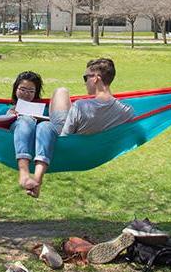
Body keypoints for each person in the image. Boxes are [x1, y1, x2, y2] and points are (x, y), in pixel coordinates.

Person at [23, 58, 134, 197]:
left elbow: (64, 137)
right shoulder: (126, 111)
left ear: (96, 78)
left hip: (67, 142)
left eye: (85, 77)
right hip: (95, 152)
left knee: (61, 91)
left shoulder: (81, 106)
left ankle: (37, 177)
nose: (84, 82)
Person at [7, 71, 46, 196]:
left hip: (39, 141)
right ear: (15, 89)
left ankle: (35, 181)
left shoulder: (43, 109)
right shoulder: (8, 107)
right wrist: (10, 113)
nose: (25, 94)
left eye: (31, 91)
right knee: (25, 120)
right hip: (14, 134)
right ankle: (24, 172)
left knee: (31, 120)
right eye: (22, 89)